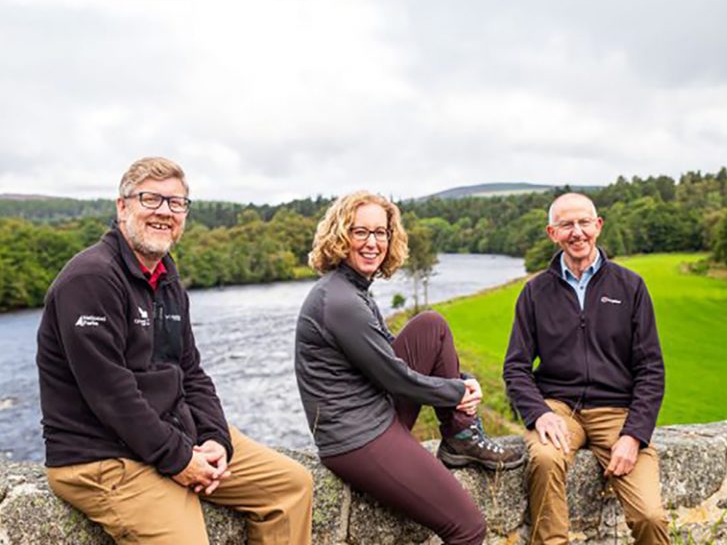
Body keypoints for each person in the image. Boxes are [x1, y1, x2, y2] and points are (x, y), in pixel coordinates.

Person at [37, 157, 313, 545]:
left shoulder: (166, 279)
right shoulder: (90, 279)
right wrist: (180, 459)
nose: (165, 212)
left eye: (176, 203)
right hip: (100, 455)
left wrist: (217, 438)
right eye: (151, 199)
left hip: (166, 433)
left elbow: (191, 371)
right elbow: (111, 394)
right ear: (122, 207)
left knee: (291, 487)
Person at [294, 191, 524, 545]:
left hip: (375, 412)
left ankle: (460, 436)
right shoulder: (339, 301)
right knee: (468, 528)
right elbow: (395, 378)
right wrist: (458, 391)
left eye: (381, 233)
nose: (373, 243)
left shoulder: (354, 289)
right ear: (341, 237)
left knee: (430, 325)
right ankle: (461, 430)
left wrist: (460, 382)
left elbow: (391, 361)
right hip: (356, 439)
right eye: (360, 232)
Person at [503, 192, 670, 545]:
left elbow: (651, 369)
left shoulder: (630, 286)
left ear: (598, 226)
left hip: (617, 411)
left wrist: (634, 435)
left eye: (583, 223)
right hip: (559, 407)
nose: (576, 232)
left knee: (651, 517)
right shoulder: (534, 293)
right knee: (546, 458)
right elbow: (516, 367)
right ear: (552, 233)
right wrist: (539, 414)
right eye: (566, 225)